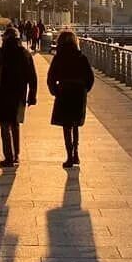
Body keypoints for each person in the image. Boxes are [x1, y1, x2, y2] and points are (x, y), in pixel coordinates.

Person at [0, 24, 37, 167]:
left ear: (5, 38)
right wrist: (32, 95)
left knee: (4, 126)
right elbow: (32, 76)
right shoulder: (25, 54)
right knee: (15, 124)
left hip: (2, 93)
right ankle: (16, 156)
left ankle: (8, 156)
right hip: (19, 93)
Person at [47, 29, 95, 168]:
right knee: (75, 125)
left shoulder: (59, 57)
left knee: (66, 126)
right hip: (78, 93)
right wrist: (85, 90)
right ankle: (76, 154)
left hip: (64, 92)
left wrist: (55, 91)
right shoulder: (81, 57)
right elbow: (90, 78)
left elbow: (51, 77)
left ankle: (69, 156)